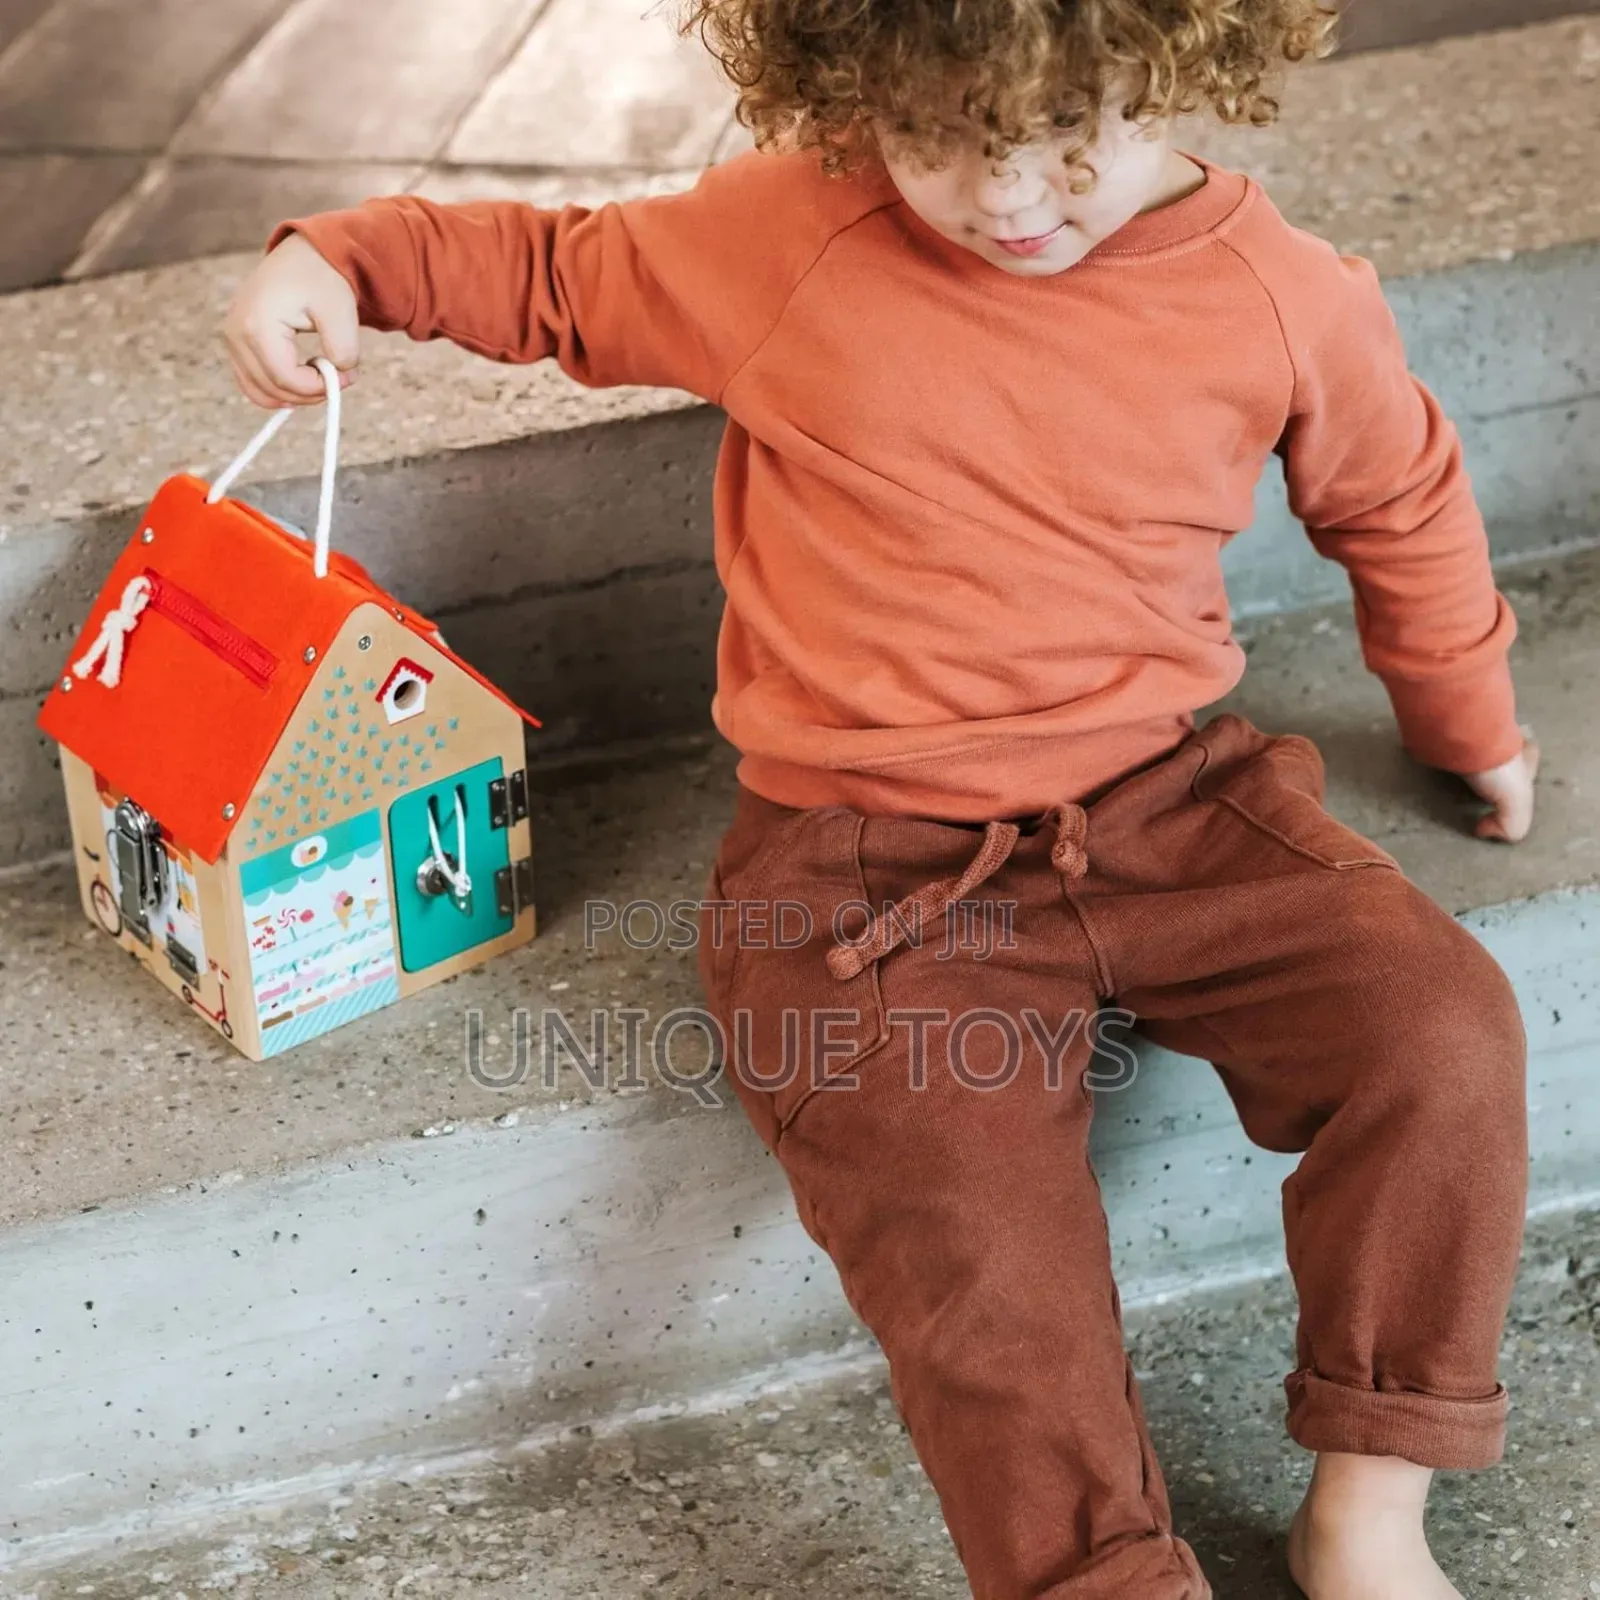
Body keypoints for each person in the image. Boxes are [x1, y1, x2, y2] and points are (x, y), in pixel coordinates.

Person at [222, 1, 1541, 1593]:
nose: (1007, 196)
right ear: (853, 96)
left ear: (1190, 73)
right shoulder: (797, 235)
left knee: (1444, 1028)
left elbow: (1396, 498)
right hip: (861, 872)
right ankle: (1103, 1577)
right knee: (976, 1240)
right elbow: (553, 275)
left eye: (1070, 136)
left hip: (1170, 806)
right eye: (939, 139)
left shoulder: (1278, 293)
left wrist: (1467, 712)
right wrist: (340, 260)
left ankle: (1371, 1509)